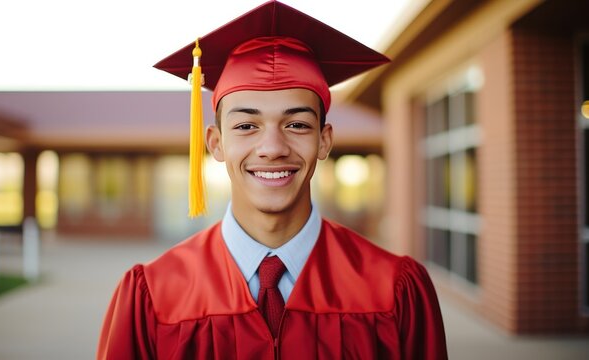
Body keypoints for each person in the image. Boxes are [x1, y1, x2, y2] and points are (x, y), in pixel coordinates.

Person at [97, 1, 448, 359]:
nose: (272, 148)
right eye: (247, 126)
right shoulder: (154, 295)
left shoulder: (393, 289)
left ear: (324, 140)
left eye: (296, 124)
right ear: (216, 144)